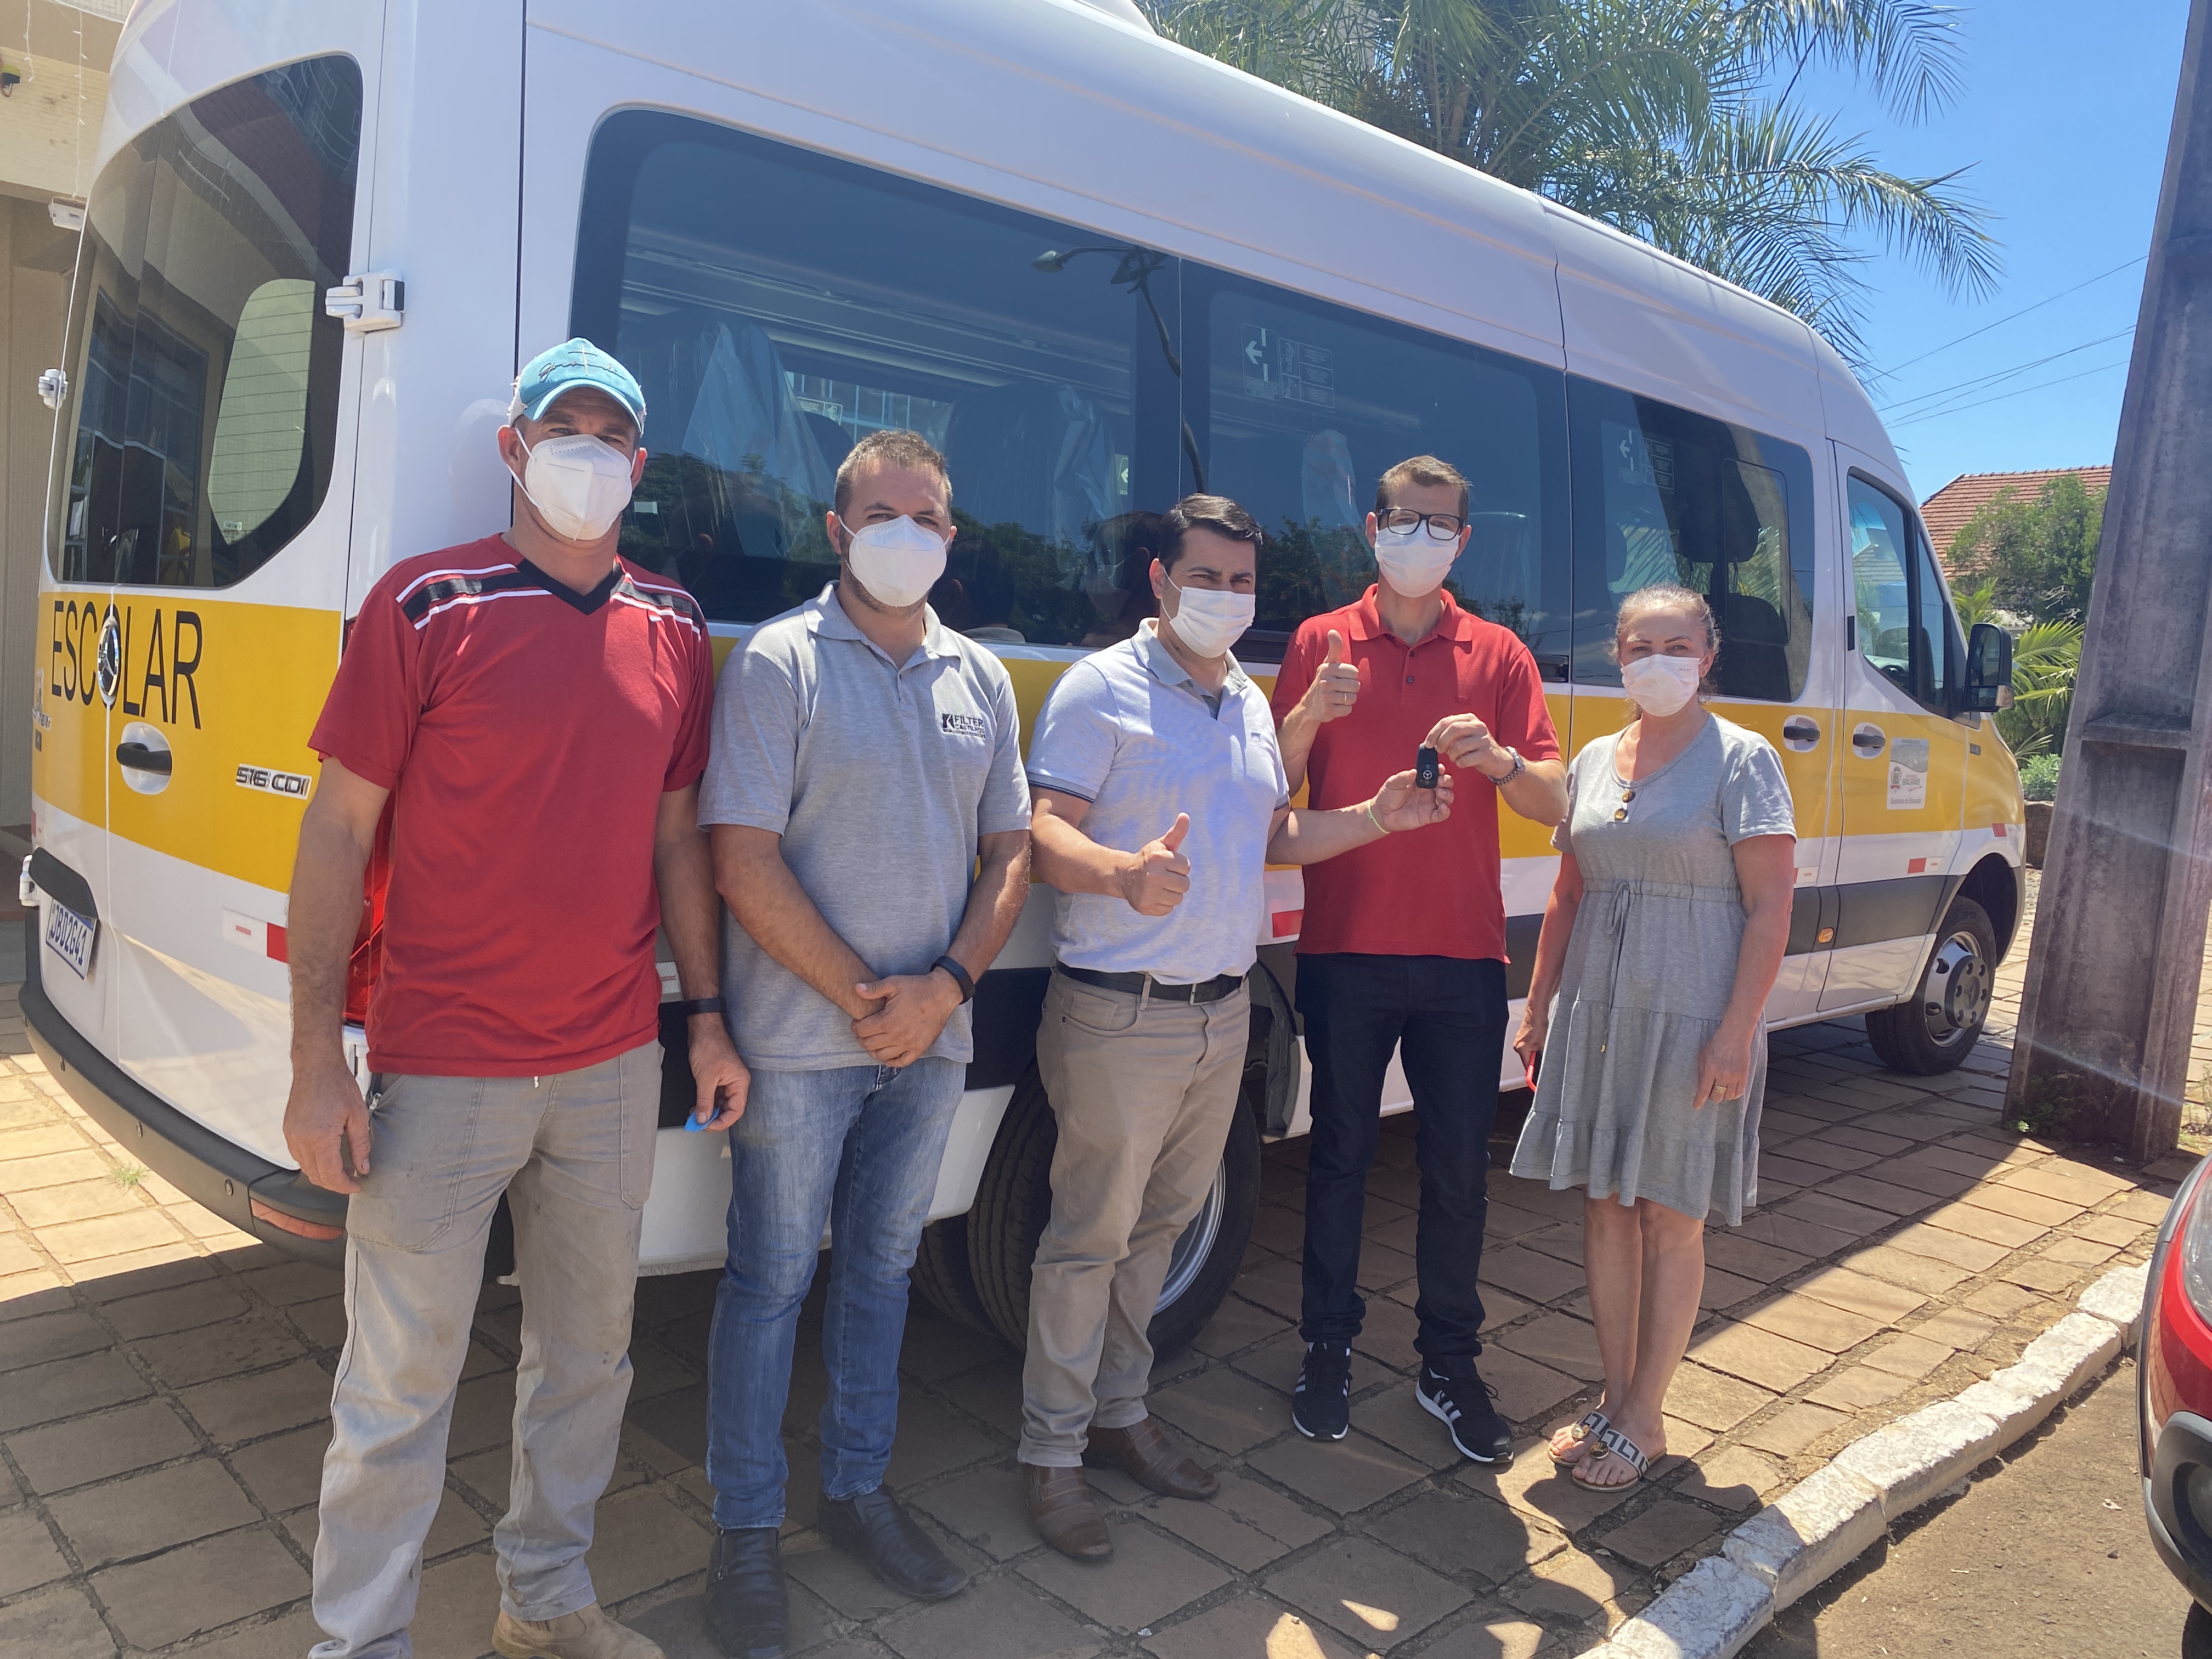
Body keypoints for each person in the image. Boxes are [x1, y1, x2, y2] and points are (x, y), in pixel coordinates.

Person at [286, 338, 746, 1659]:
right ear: (515, 447)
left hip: (610, 1064)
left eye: (611, 435)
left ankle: (545, 1605)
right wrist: (316, 1060)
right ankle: (359, 1643)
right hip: (443, 1065)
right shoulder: (427, 604)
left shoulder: (674, 628)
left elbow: (678, 841)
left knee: (588, 1361)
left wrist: (706, 1016)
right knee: (396, 1386)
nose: (587, 455)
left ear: (640, 465)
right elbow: (336, 829)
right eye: (564, 429)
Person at [1019, 493, 1455, 1561]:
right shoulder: (1101, 688)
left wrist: (1376, 817)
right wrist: (1121, 873)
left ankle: (1121, 1414)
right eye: (1205, 577)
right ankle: (1050, 1455)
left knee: (1158, 1234)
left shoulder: (1252, 703)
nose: (1225, 596)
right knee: (1088, 1241)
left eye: (1242, 581)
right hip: (1119, 1014)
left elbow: (1273, 834)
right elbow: (1042, 833)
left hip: (1220, 1015)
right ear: (1160, 581)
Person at [698, 429, 1031, 1656]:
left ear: (951, 536)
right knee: (769, 1282)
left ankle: (855, 1493)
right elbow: (741, 859)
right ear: (837, 531)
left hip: (929, 1046)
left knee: (884, 1274)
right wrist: (867, 999)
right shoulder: (777, 662)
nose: (909, 536)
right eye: (884, 515)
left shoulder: (979, 677)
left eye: (928, 518)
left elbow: (1012, 855)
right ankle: (744, 1533)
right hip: (801, 1046)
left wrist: (943, 992)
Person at [1268, 455, 1566, 1458]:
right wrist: (1309, 713)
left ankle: (1448, 1364)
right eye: (1405, 519)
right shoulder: (1318, 641)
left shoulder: (1500, 653)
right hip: (1345, 948)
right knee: (1339, 1161)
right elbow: (1270, 793)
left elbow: (1555, 800)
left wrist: (1503, 760)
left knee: (1457, 1175)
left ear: (1463, 541)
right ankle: (1326, 1350)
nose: (1420, 538)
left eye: (1440, 525)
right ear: (1373, 528)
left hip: (1463, 958)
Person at [1509, 584, 1796, 1489]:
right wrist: (1538, 1002)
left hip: (1693, 1012)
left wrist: (1736, 1033)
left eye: (1677, 647)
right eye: (1640, 646)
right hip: (1599, 1009)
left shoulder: (1742, 759)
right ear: (1618, 656)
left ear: (1708, 658)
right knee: (1605, 1202)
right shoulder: (1595, 759)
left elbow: (1771, 905)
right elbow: (1569, 892)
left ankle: (1647, 1414)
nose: (1657, 662)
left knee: (1669, 1213)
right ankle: (1614, 1395)